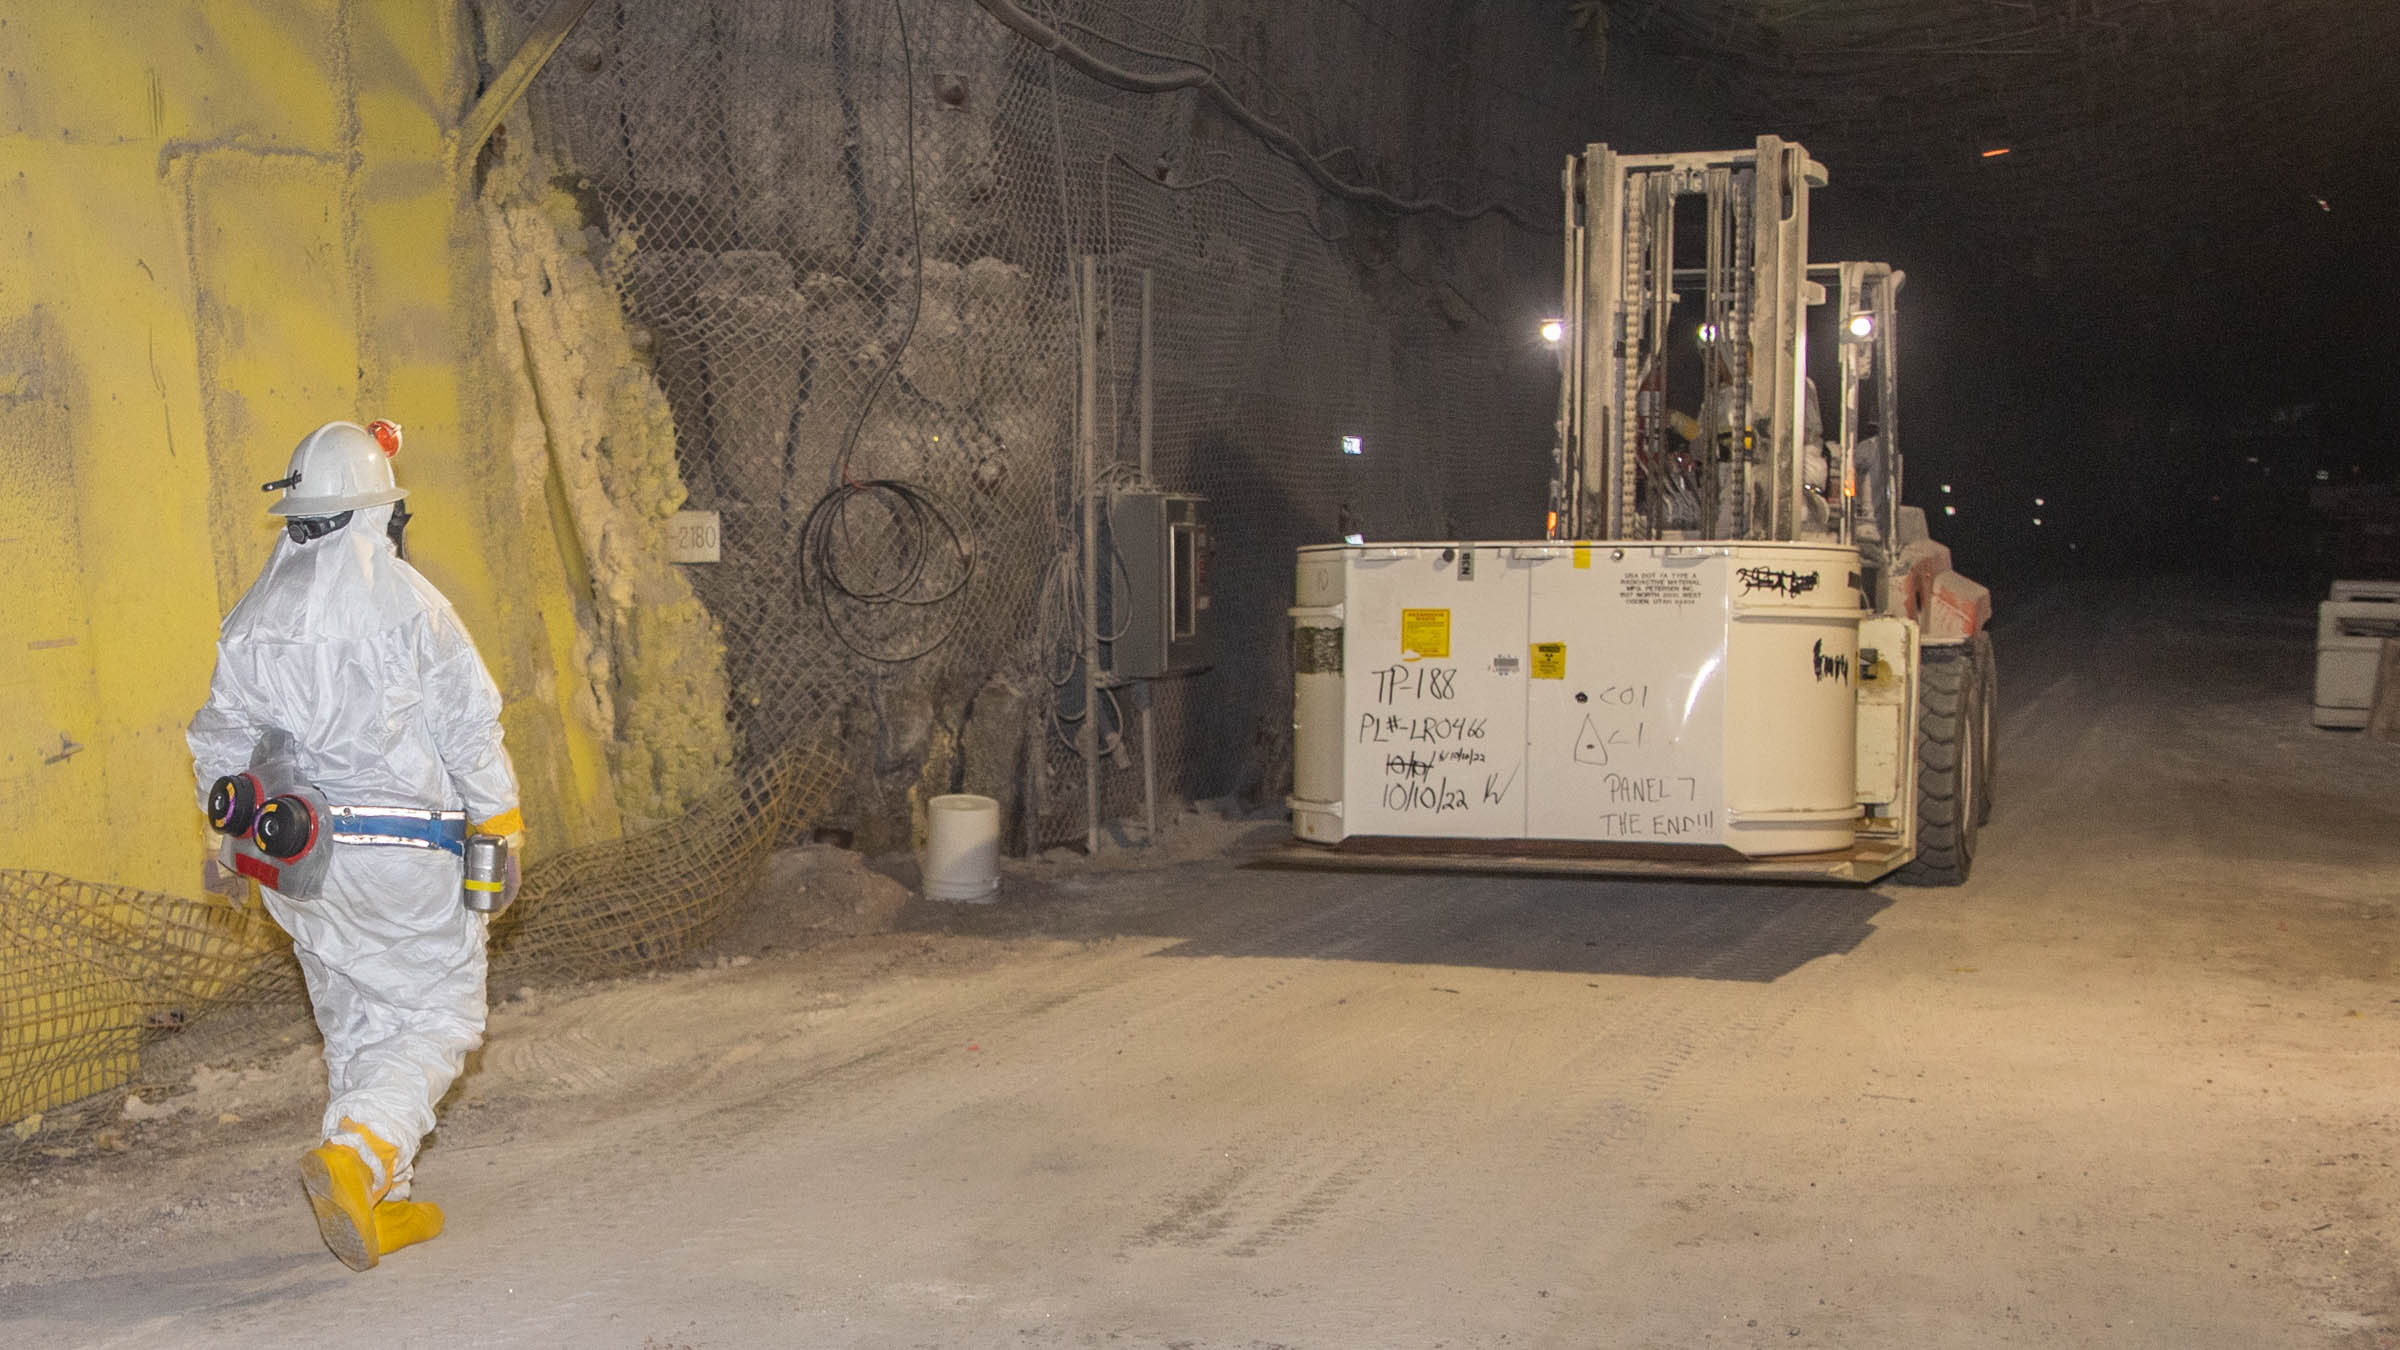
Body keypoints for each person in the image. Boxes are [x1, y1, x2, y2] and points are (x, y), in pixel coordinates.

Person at [188, 420, 522, 1271]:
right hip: (406, 860)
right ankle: (363, 1152)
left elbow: (222, 740)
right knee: (441, 1014)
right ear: (377, 511)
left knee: (355, 1022)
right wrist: (500, 825)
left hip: (298, 864)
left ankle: (384, 1200)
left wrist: (224, 843)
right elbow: (470, 729)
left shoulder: (254, 618)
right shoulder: (414, 608)